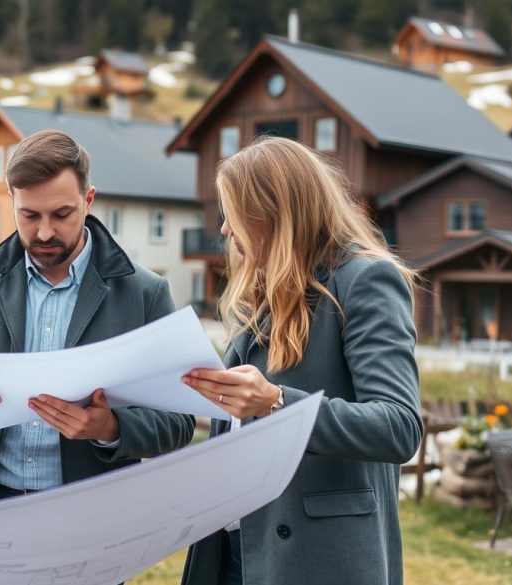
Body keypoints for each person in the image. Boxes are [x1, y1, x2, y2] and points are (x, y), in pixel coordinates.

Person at [179, 137, 422, 585]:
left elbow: (398, 427)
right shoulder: (262, 293)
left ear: (273, 213)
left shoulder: (366, 280)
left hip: (318, 560)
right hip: (236, 554)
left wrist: (276, 402)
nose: (227, 231)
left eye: (233, 214)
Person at [0, 130, 195, 503]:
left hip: (91, 514)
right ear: (11, 200)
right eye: (29, 215)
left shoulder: (145, 293)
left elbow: (179, 421)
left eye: (62, 214)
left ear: (88, 200)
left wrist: (111, 426)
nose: (45, 231)